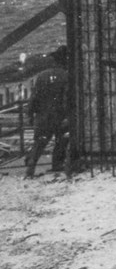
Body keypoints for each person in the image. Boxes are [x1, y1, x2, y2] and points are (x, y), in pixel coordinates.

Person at [25, 49, 71, 177]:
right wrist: (68, 115)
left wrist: (29, 113)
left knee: (40, 142)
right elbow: (66, 98)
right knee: (61, 140)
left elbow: (34, 97)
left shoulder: (41, 76)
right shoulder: (67, 75)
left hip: (42, 116)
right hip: (59, 115)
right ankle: (57, 164)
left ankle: (31, 166)